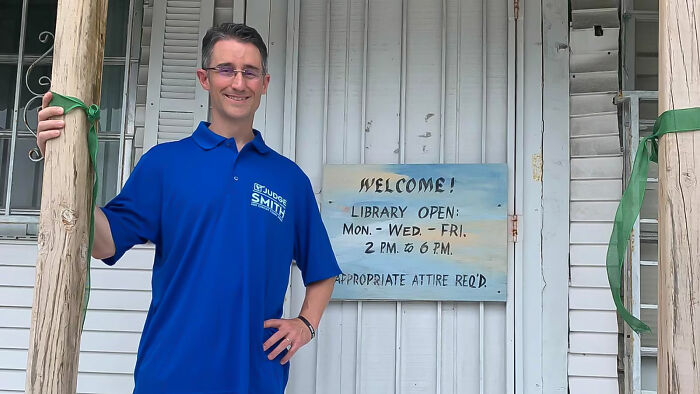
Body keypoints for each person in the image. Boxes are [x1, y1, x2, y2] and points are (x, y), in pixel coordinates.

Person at [36, 23, 341, 394]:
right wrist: (68, 161)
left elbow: (322, 270)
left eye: (250, 72)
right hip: (169, 377)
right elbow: (104, 243)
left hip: (254, 380)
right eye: (225, 69)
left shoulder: (289, 179)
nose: (238, 83)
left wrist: (305, 324)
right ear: (204, 78)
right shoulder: (165, 164)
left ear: (265, 82)